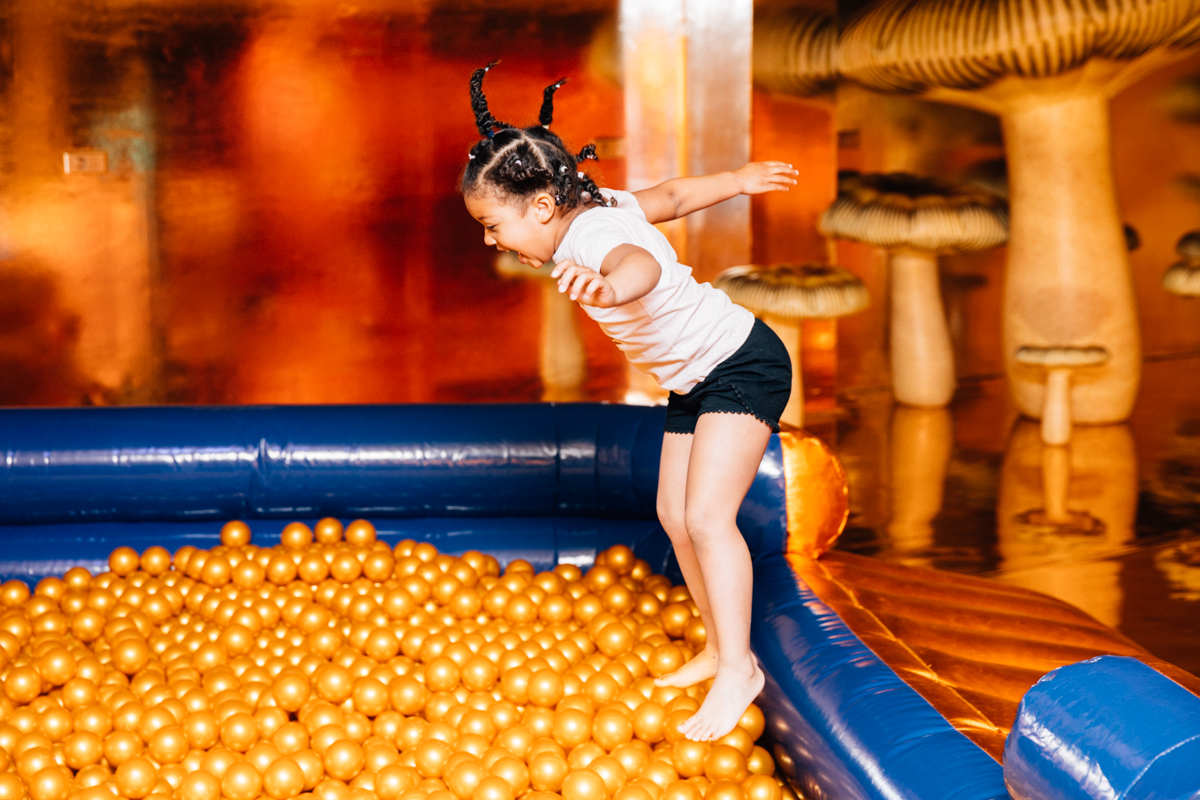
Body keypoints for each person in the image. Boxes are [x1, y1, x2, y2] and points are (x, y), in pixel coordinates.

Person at [460, 62, 796, 742]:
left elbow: (636, 264)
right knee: (674, 514)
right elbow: (668, 197)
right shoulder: (596, 205)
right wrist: (736, 180)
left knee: (707, 516)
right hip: (696, 378)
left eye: (493, 225)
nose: (491, 240)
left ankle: (741, 669)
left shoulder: (594, 239)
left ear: (541, 208)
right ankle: (718, 648)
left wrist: (612, 289)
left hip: (741, 364)